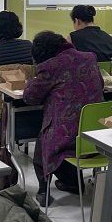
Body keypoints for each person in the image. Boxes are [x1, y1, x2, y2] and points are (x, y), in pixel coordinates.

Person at [23, 30, 104, 205]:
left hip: (65, 135)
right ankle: (73, 183)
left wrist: (31, 80)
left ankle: (44, 191)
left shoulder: (51, 66)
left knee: (43, 142)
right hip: (97, 133)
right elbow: (101, 84)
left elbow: (30, 97)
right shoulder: (90, 57)